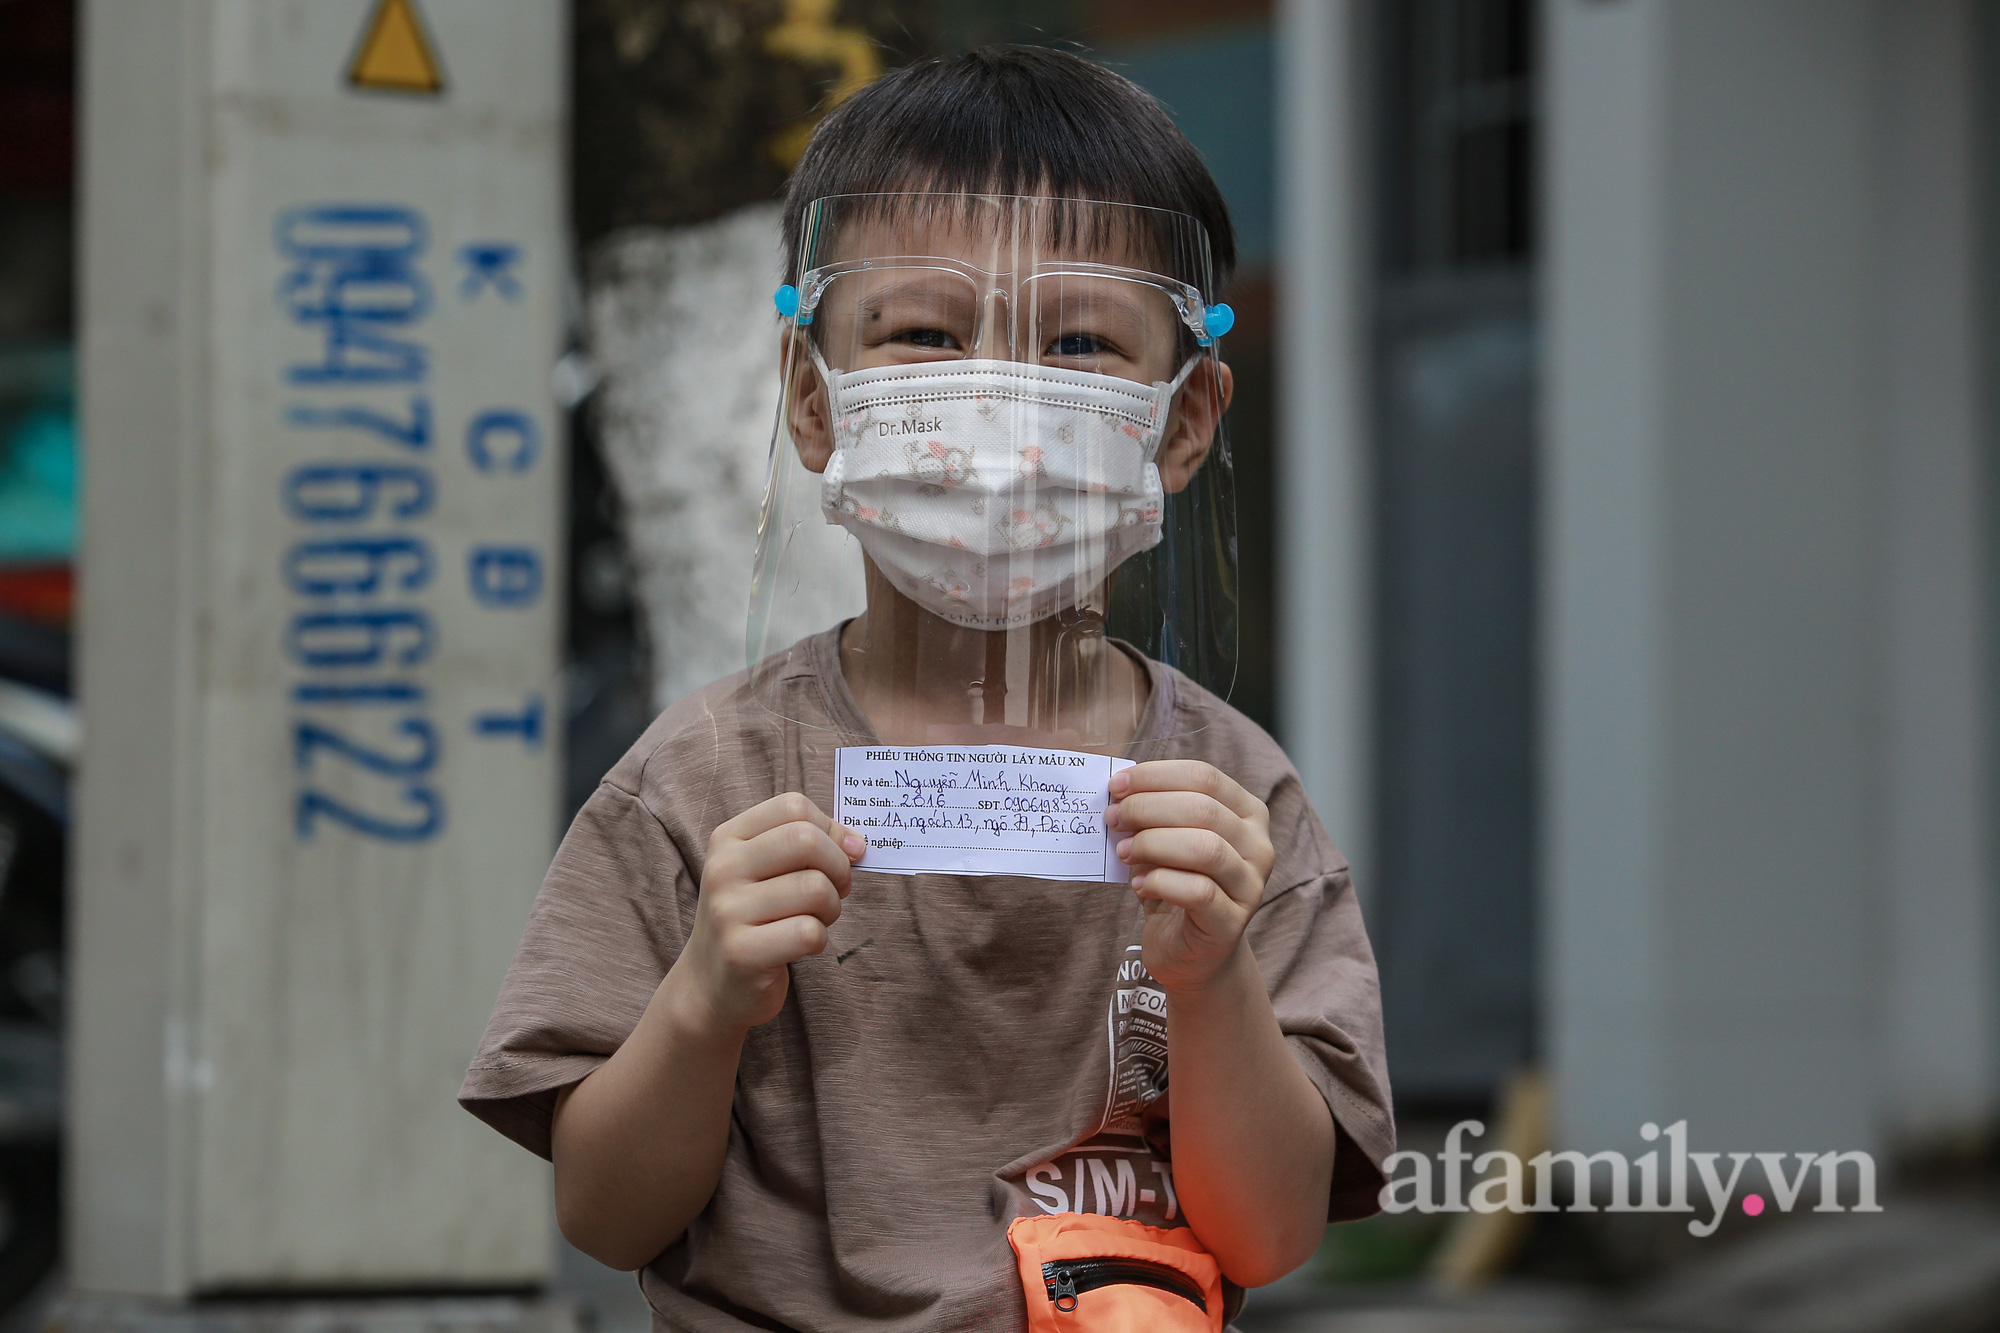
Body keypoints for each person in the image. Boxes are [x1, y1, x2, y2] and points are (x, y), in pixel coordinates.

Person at [461, 46, 1392, 1332]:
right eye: (923, 333)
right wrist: (706, 996)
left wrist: (1212, 979)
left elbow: (1269, 1233)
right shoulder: (701, 783)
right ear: (812, 398)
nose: (1001, 407)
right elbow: (608, 1214)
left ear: (1183, 422)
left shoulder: (1228, 803)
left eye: (1078, 340)